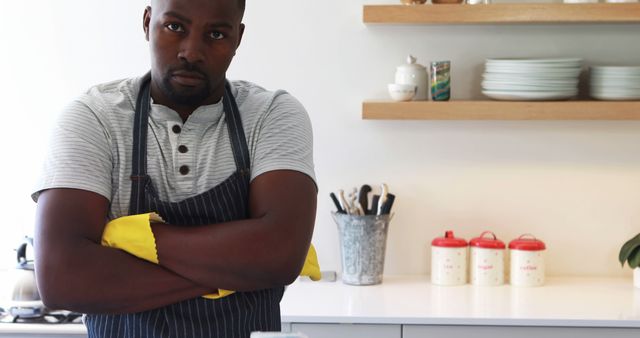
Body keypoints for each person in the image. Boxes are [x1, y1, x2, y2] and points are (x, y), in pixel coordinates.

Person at [31, 0, 318, 337]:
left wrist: (134, 239)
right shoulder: (94, 118)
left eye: (215, 33)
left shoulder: (272, 115)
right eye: (175, 27)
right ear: (147, 22)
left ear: (237, 38)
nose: (192, 51)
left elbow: (279, 256)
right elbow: (62, 280)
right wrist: (235, 270)